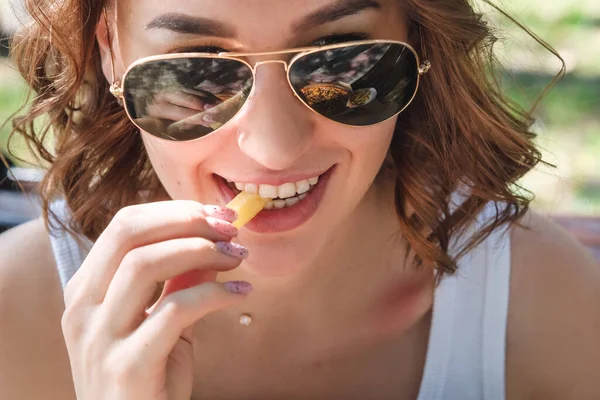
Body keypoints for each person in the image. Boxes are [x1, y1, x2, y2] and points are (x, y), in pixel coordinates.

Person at [0, 0, 598, 399]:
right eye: (200, 66)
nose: (275, 148)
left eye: (337, 55)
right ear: (111, 51)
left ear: (416, 42)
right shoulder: (16, 313)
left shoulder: (540, 301)